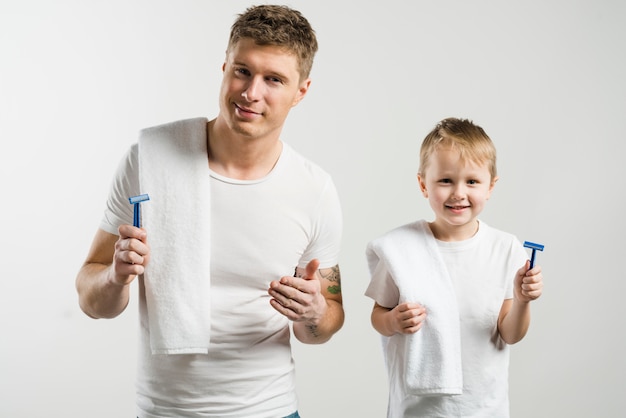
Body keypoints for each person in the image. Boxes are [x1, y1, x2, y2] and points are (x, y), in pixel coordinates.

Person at [75, 5, 343, 418]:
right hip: (165, 409)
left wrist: (315, 312)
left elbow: (323, 325)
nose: (251, 93)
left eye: (274, 79)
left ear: (301, 91)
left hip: (269, 409)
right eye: (242, 71)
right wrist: (116, 276)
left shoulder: (315, 190)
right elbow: (93, 302)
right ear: (224, 67)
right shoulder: (149, 160)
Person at [364, 117, 543, 418]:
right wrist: (394, 320)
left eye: (472, 181)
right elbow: (378, 316)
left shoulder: (504, 249)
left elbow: (509, 334)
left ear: (490, 186)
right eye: (446, 180)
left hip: (484, 407)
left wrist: (523, 301)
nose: (459, 193)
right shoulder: (401, 250)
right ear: (423, 184)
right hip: (418, 409)